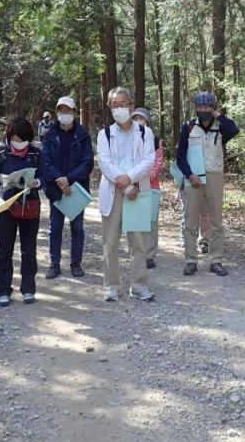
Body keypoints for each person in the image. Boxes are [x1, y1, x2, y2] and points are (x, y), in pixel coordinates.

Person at [97, 87, 156, 301]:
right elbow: (104, 162)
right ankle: (112, 285)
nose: (119, 108)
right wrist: (125, 185)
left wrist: (129, 180)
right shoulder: (104, 134)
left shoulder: (145, 132)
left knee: (139, 242)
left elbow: (148, 161)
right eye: (114, 105)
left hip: (137, 191)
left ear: (131, 106)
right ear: (110, 108)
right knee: (110, 242)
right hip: (114, 191)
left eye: (123, 104)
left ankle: (139, 285)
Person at [177, 91, 239, 277]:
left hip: (214, 176)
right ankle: (190, 260)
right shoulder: (188, 127)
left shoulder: (220, 128)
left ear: (213, 108)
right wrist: (189, 175)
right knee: (190, 221)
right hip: (193, 178)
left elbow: (234, 130)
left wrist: (217, 115)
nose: (203, 110)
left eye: (207, 107)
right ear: (195, 108)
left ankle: (216, 260)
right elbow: (180, 157)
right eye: (200, 107)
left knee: (216, 220)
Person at [0, 118, 43, 306]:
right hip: (6, 205)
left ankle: (28, 288)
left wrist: (38, 182)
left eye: (24, 139)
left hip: (30, 205)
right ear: (9, 137)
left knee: (29, 249)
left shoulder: (36, 153)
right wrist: (1, 178)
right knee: (5, 249)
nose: (20, 143)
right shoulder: (0, 152)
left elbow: (45, 174)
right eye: (16, 139)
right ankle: (3, 289)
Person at [40, 96, 94, 279]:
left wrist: (69, 179)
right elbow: (45, 162)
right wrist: (59, 179)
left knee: (77, 227)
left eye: (68, 111)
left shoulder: (83, 135)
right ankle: (54, 264)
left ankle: (76, 264)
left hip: (76, 189)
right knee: (55, 227)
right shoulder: (49, 135)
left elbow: (88, 163)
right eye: (61, 111)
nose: (65, 114)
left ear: (75, 112)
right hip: (56, 189)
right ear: (57, 113)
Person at [132, 107, 163, 269]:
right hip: (132, 187)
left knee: (151, 222)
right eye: (135, 119)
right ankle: (137, 253)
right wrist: (133, 180)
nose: (138, 122)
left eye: (141, 119)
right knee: (136, 222)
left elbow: (157, 164)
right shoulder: (128, 139)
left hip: (151, 187)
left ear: (147, 121)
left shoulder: (156, 140)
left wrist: (141, 177)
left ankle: (150, 255)